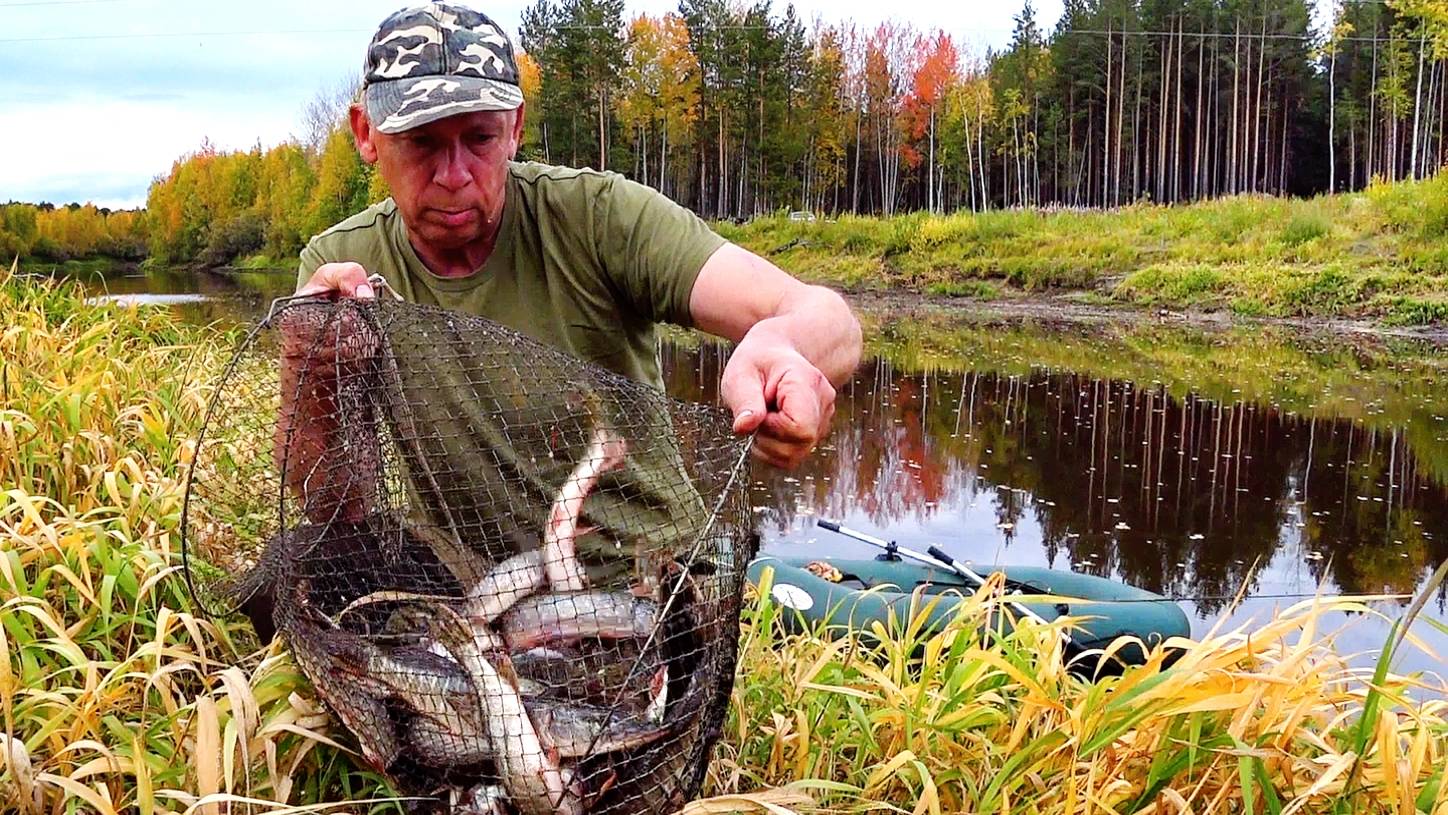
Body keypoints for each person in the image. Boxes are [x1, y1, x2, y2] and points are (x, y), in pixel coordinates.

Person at [290, 1, 860, 473]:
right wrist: (309, 366)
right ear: (366, 134)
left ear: (515, 128)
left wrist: (782, 346)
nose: (455, 174)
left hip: (642, 563)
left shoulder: (599, 217)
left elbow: (827, 317)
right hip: (460, 570)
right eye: (422, 142)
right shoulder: (341, 267)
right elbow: (325, 500)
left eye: (480, 139)